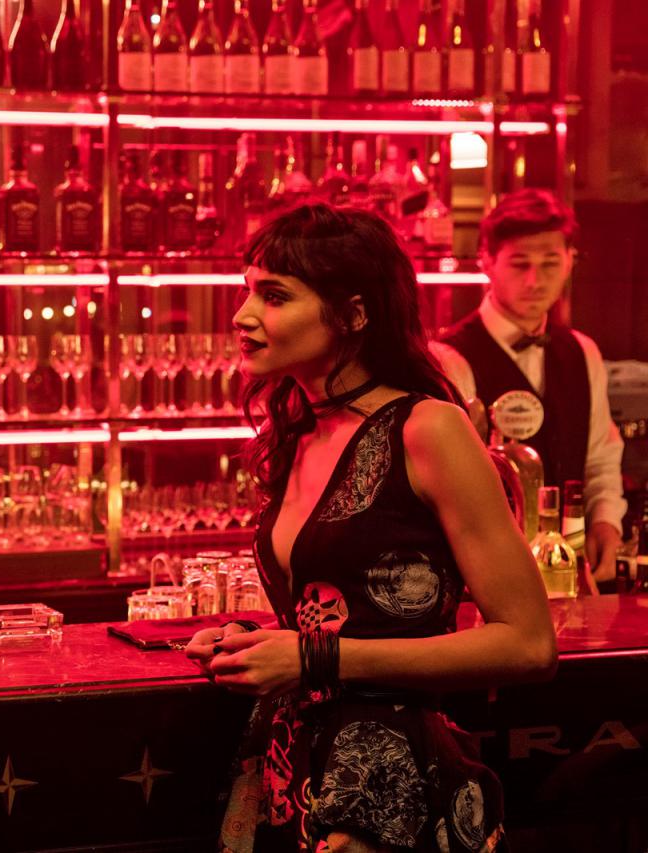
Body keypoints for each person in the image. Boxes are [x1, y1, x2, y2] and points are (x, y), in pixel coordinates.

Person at [186, 205, 556, 852]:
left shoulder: (428, 427)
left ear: (354, 314)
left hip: (393, 788)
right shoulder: (300, 430)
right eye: (247, 291)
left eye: (274, 296)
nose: (243, 315)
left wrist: (313, 657)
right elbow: (348, 611)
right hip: (295, 769)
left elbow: (528, 644)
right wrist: (254, 642)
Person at [432, 189, 626, 584]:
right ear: (487, 261)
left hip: (569, 568)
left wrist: (607, 521)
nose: (535, 280)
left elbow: (600, 459)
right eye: (520, 264)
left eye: (550, 263)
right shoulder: (449, 358)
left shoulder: (583, 351)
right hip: (485, 576)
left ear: (569, 261)